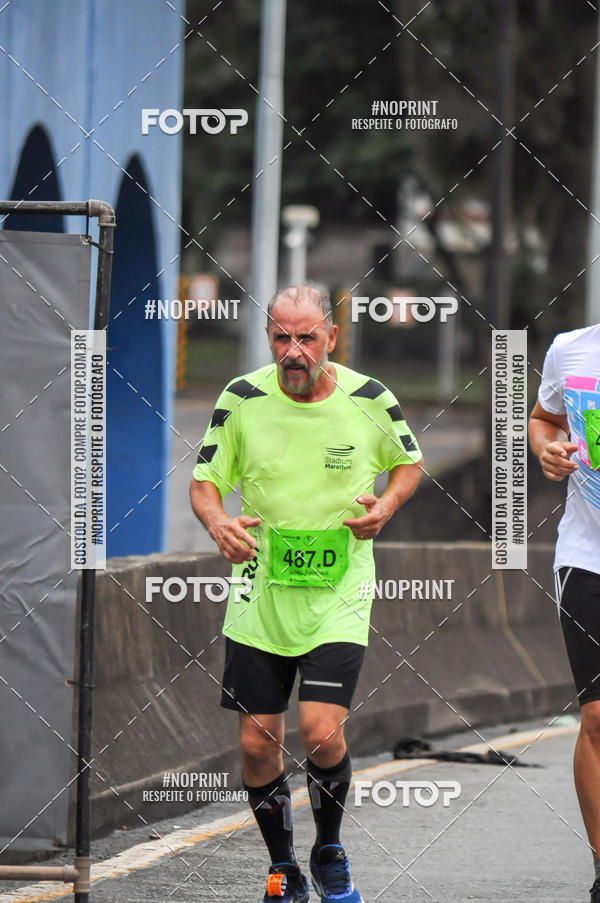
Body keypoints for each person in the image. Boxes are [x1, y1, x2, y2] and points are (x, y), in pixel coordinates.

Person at [190, 284, 423, 903]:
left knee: (320, 732)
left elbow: (407, 463)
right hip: (260, 588)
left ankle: (329, 849)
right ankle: (283, 868)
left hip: (338, 588)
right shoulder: (241, 397)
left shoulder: (370, 397)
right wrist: (218, 524)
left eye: (307, 338)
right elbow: (205, 482)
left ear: (332, 338)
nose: (293, 351)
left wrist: (388, 506)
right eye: (280, 337)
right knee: (255, 741)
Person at [529, 323, 600, 902]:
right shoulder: (571, 350)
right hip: (587, 557)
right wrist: (548, 449)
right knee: (598, 720)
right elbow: (544, 419)